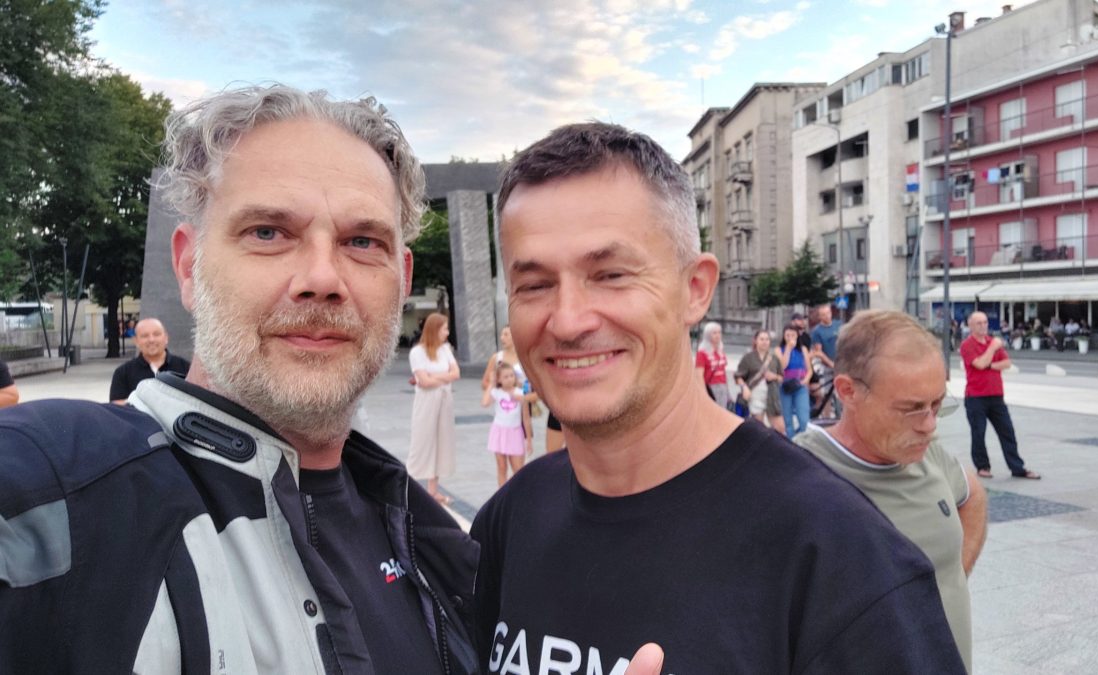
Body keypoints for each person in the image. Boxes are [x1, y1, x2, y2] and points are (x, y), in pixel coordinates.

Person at [0, 85, 477, 673]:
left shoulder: (438, 544)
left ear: (401, 280)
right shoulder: (61, 497)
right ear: (188, 266)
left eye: (362, 241)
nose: (323, 278)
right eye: (268, 232)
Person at [471, 121, 965, 674]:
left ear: (696, 289)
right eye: (535, 285)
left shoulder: (841, 559)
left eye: (610, 274)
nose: (567, 321)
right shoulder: (511, 520)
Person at [795, 310, 987, 670]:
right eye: (912, 409)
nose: (929, 426)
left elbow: (972, 495)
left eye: (936, 404)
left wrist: (951, 578)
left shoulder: (927, 453)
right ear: (848, 391)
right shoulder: (798, 477)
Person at [961, 311, 1042, 479]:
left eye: (985, 322)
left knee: (1007, 431)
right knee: (978, 433)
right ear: (971, 326)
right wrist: (992, 349)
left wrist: (989, 364)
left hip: (996, 395)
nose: (983, 326)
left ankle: (1017, 468)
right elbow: (979, 364)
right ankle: (982, 466)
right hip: (975, 396)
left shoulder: (993, 342)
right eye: (979, 323)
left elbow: (1007, 363)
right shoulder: (968, 345)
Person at [408, 312, 460, 505]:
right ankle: (410, 489)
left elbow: (456, 373)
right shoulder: (417, 352)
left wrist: (433, 377)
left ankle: (433, 490)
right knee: (422, 441)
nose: (447, 332)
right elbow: (424, 381)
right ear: (435, 329)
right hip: (426, 401)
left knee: (441, 442)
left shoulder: (445, 349)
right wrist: (442, 378)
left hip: (445, 400)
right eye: (445, 328)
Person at [108, 317, 191, 403]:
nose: (151, 340)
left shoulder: (185, 368)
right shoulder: (123, 372)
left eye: (156, 334)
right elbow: (116, 406)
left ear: (166, 338)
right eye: (145, 336)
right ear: (136, 341)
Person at [482, 325, 535, 453]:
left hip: (521, 401)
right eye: (502, 334)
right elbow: (485, 382)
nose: (502, 338)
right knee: (504, 443)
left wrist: (522, 390)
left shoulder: (525, 358)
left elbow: (534, 383)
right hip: (503, 404)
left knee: (521, 441)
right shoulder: (496, 358)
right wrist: (499, 387)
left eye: (506, 334)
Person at [482, 362, 529, 487]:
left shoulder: (520, 393)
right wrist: (491, 383)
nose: (509, 379)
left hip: (515, 433)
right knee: (502, 467)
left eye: (511, 375)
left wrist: (529, 439)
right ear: (499, 380)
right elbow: (485, 403)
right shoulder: (496, 393)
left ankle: (518, 494)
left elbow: (525, 418)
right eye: (505, 377)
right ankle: (502, 494)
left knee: (518, 469)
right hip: (499, 432)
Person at [735, 329, 784, 432]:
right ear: (755, 341)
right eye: (761, 339)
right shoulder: (748, 358)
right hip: (755, 395)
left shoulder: (774, 358)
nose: (764, 342)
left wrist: (774, 377)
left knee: (780, 428)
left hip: (772, 396)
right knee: (759, 428)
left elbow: (781, 377)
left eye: (767, 339)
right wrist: (744, 387)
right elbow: (738, 376)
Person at [776, 323, 811, 438]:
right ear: (783, 336)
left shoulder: (803, 349)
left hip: (800, 385)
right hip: (785, 386)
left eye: (793, 335)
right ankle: (791, 441)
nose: (790, 338)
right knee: (787, 420)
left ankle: (803, 440)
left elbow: (809, 370)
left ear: (797, 336)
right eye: (788, 335)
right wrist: (788, 349)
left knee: (804, 419)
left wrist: (805, 380)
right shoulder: (778, 350)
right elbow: (783, 366)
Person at [695, 321, 731, 410]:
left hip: (722, 386)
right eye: (714, 333)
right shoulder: (702, 353)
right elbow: (699, 375)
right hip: (711, 387)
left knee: (722, 412)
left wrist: (727, 390)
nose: (717, 335)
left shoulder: (720, 351)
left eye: (719, 332)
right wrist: (703, 393)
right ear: (708, 335)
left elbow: (723, 372)